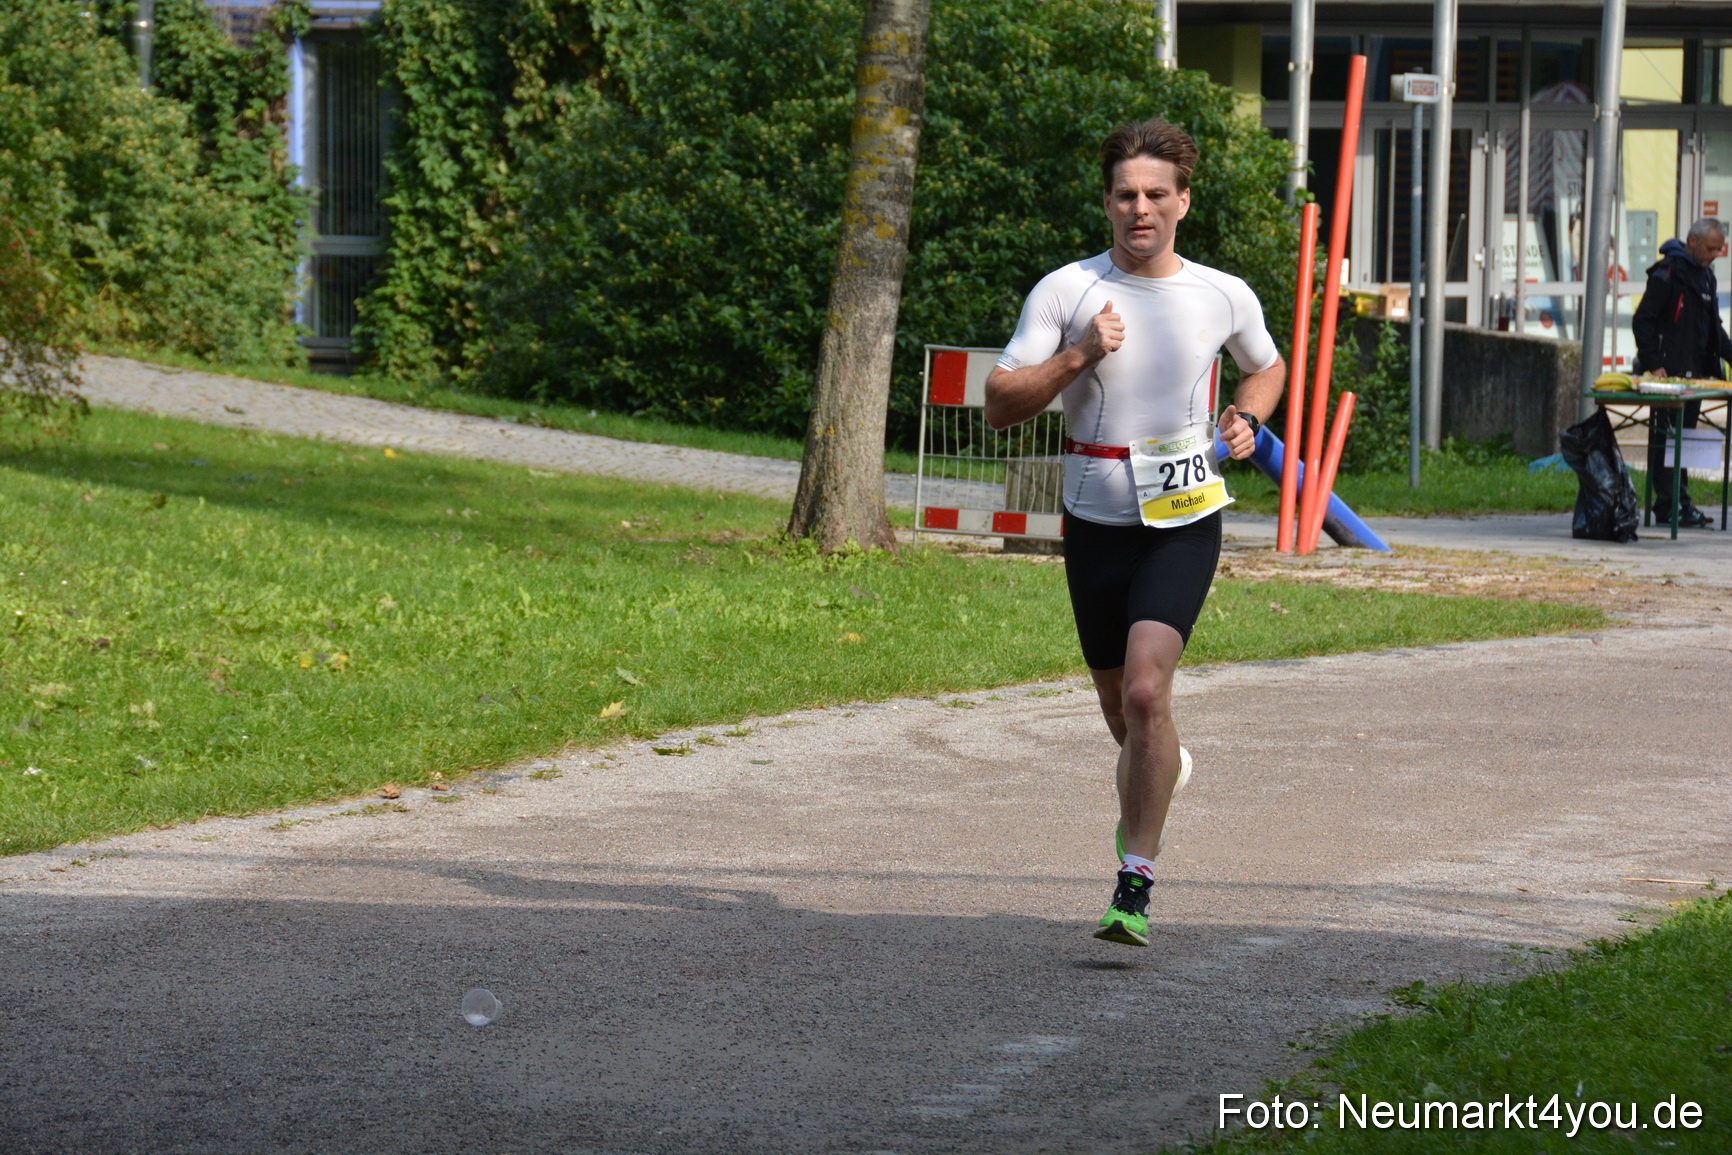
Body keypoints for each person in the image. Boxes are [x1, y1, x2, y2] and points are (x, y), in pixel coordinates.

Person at [983, 119, 1286, 947]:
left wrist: (1246, 419)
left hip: (1185, 512)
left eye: (1157, 194)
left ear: (1184, 202)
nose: (1140, 208)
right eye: (1126, 194)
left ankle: (1134, 884)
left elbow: (1267, 365)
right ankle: (1159, 764)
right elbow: (1001, 403)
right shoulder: (1065, 291)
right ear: (1107, 202)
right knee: (1124, 711)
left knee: (1151, 691)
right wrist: (1078, 357)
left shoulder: (1223, 292)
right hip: (1094, 516)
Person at [1631, 216, 1732, 528]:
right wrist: (1653, 363)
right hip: (1668, 377)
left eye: (1720, 249)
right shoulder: (1668, 273)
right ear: (1692, 242)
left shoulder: (1706, 278)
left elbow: (1714, 328)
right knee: (1667, 441)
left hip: (1696, 375)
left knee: (1684, 441)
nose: (1716, 254)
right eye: (1711, 248)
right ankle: (1668, 506)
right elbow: (1643, 320)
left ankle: (1680, 503)